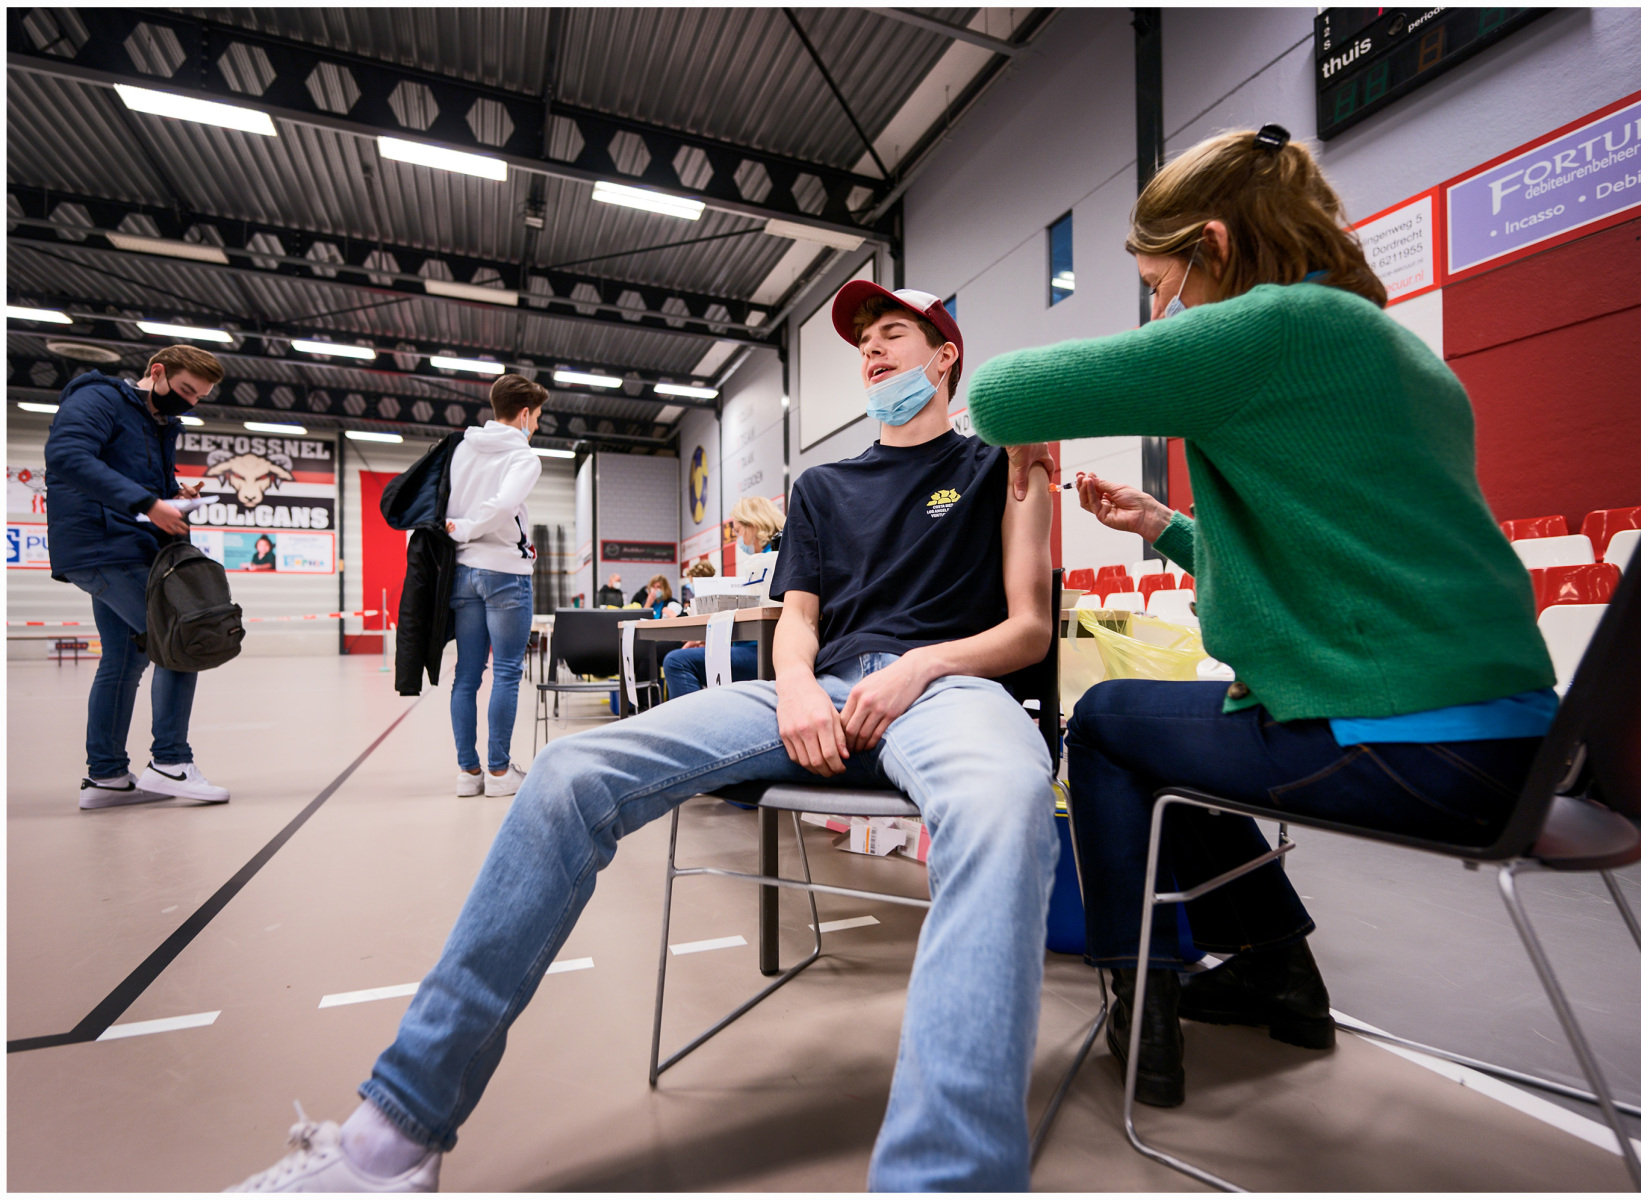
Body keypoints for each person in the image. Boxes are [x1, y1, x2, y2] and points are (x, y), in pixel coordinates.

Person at [228, 280, 1058, 1192]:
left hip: (946, 691)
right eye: (863, 342)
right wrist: (793, 686)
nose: (871, 351)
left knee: (1004, 804)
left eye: (893, 333)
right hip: (815, 689)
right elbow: (798, 620)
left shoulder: (1004, 464)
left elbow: (1029, 629)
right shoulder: (822, 488)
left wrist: (918, 667)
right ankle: (389, 1141)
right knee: (568, 771)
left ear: (946, 357)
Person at [966, 125, 1558, 1108]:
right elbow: (1323, 562)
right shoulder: (1390, 346)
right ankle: (1275, 975)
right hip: (1514, 746)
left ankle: (1142, 1006)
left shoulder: (1269, 328)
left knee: (1108, 724)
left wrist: (1042, 422)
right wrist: (1162, 525)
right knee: (1187, 729)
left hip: (1411, 748)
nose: (1164, 310)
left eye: (1162, 285)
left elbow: (998, 395)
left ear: (1215, 244)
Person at [45, 345, 233, 810]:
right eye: (186, 390)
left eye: (199, 397)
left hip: (125, 546)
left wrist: (172, 494)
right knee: (180, 638)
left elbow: (136, 480)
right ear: (158, 371)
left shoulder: (159, 422)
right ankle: (171, 762)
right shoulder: (99, 398)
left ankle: (107, 777)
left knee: (125, 659)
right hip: (102, 545)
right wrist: (149, 503)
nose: (190, 402)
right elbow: (67, 455)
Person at [443, 374, 547, 800]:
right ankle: (500, 772)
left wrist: (461, 532)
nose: (536, 425)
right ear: (523, 414)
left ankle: (468, 773)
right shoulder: (524, 457)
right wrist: (470, 527)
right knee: (506, 671)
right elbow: (503, 505)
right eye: (536, 417)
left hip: (463, 572)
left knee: (466, 675)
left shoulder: (462, 448)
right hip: (504, 573)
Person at [663, 496, 786, 699]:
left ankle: (698, 720)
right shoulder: (767, 560)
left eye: (738, 531)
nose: (738, 538)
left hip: (768, 653)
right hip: (763, 648)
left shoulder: (769, 562)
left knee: (677, 662)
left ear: (753, 526)